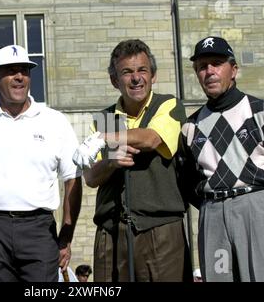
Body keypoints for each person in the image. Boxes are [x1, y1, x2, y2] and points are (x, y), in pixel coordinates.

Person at [0, 44, 83, 282]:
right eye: (10, 71)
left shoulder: (55, 121)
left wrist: (67, 235)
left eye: (24, 70)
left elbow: (72, 179)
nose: (19, 77)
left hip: (39, 228)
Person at [179, 36, 264, 281]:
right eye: (202, 66)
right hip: (212, 214)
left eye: (217, 63)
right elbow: (186, 180)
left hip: (257, 207)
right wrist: (210, 206)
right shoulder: (190, 126)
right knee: (218, 277)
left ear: (233, 70)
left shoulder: (261, 111)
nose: (209, 71)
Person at [73, 39, 192, 282]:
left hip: (159, 228)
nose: (136, 78)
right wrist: (111, 163)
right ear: (115, 81)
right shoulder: (106, 117)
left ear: (153, 75)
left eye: (142, 70)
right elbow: (91, 177)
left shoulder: (167, 104)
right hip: (111, 230)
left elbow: (150, 138)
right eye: (127, 72)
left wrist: (103, 138)